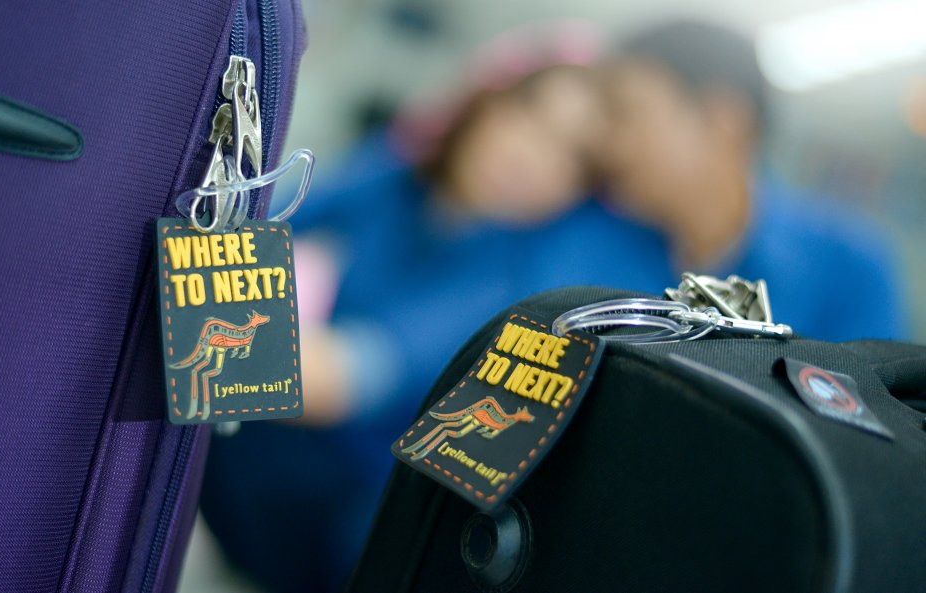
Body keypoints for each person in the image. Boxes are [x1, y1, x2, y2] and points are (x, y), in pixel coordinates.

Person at [200, 26, 672, 593]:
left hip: (356, 523)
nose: (533, 156)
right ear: (489, 102)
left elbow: (323, 379)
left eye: (571, 158)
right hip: (268, 478)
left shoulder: (516, 279)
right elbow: (245, 226)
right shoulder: (397, 177)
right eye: (530, 115)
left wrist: (192, 302)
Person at [597, 20, 908, 341]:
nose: (604, 142)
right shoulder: (589, 240)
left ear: (723, 123)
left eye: (624, 114)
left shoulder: (849, 269)